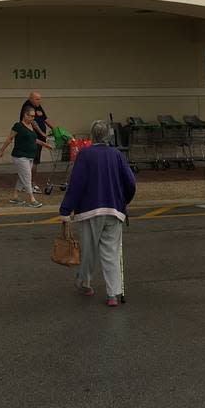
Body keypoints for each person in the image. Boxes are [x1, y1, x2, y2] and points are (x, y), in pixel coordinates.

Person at [59, 119, 136, 307]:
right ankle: (113, 293)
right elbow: (130, 183)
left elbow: (76, 184)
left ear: (92, 136)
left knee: (89, 251)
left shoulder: (85, 155)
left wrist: (66, 209)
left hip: (89, 210)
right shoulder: (117, 154)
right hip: (114, 210)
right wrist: (123, 201)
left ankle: (84, 283)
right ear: (108, 136)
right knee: (111, 252)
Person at [0, 108, 52, 208]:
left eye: (33, 116)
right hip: (20, 156)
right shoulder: (18, 126)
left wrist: (45, 145)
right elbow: (10, 138)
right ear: (25, 115)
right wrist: (2, 150)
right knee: (27, 177)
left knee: (23, 176)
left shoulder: (31, 125)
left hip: (30, 156)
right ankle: (32, 199)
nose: (33, 118)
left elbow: (34, 139)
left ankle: (15, 197)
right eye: (31, 116)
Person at [21, 91, 54, 193]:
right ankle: (32, 184)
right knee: (33, 161)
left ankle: (25, 184)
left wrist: (55, 129)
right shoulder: (28, 106)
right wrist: (42, 133)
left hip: (38, 138)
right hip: (32, 138)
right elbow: (33, 122)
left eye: (40, 98)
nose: (39, 101)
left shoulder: (38, 106)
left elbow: (45, 118)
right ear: (31, 98)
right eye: (37, 99)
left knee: (32, 161)